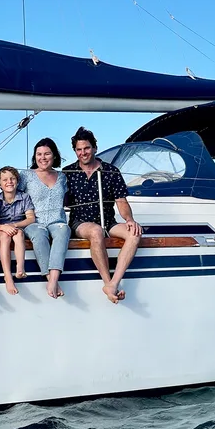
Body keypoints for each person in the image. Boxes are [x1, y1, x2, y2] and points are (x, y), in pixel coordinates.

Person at [63, 127, 142, 303]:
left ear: (95, 148)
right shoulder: (68, 173)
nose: (83, 153)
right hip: (80, 222)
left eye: (87, 148)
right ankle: (107, 282)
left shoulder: (111, 171)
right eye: (79, 149)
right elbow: (58, 200)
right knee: (95, 231)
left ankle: (114, 282)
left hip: (109, 221)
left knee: (134, 233)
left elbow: (121, 201)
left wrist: (129, 220)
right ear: (75, 151)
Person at [20, 137, 70, 299]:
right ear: (34, 157)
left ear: (54, 156)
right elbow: (13, 196)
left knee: (64, 231)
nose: (43, 157)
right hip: (34, 221)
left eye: (47, 154)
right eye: (39, 154)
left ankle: (53, 278)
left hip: (57, 221)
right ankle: (51, 280)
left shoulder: (62, 177)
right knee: (40, 234)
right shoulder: (26, 175)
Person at [0, 165, 35, 296]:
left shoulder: (24, 197)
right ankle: (8, 276)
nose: (9, 182)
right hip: (0, 228)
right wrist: (4, 227)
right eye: (5, 180)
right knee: (5, 238)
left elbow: (30, 218)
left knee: (19, 234)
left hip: (16, 226)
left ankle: (20, 268)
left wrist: (15, 225)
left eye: (12, 179)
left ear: (17, 181)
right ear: (0, 184)